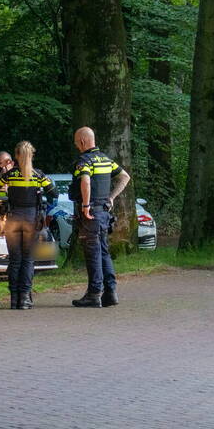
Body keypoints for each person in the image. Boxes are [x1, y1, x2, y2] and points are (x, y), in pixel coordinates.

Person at [70, 127, 130, 308]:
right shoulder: (106, 159)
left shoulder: (85, 160)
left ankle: (94, 294)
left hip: (92, 213)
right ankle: (110, 292)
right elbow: (125, 177)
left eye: (76, 142)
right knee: (103, 251)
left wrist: (86, 205)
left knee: (93, 253)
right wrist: (111, 197)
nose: (76, 145)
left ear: (82, 141)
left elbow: (85, 180)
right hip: (104, 212)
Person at [0, 141, 57, 309]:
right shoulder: (38, 175)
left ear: (16, 156)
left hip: (13, 218)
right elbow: (54, 192)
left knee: (15, 260)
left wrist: (5, 172)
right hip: (31, 219)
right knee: (28, 259)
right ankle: (25, 298)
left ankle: (14, 299)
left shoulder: (11, 175)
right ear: (32, 156)